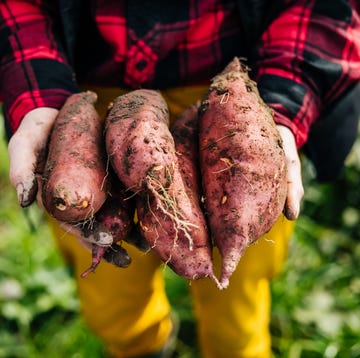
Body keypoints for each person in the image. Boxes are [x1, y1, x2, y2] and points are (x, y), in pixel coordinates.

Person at [1, 1, 359, 357]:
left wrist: (284, 102)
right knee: (109, 281)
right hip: (90, 102)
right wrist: (38, 93)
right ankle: (141, 345)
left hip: (238, 103)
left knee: (240, 280)